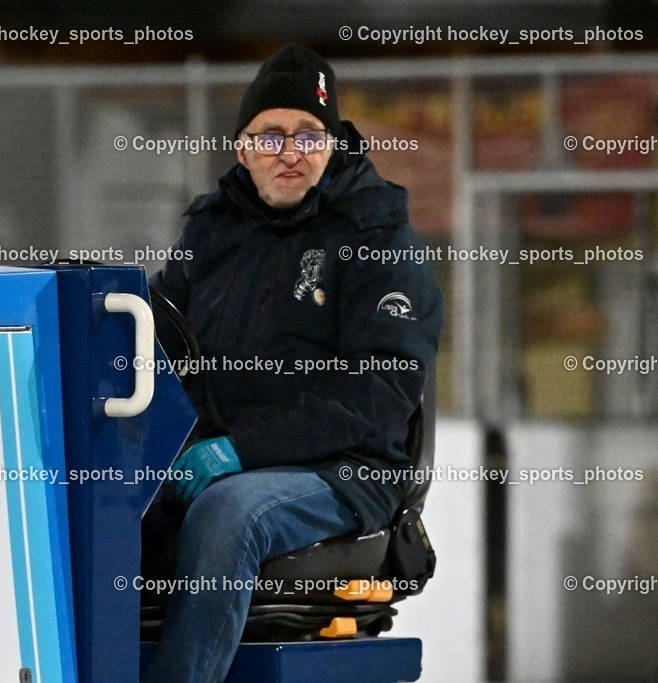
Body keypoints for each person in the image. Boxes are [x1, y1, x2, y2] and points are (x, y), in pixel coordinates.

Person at [142, 44, 444, 683]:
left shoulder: (374, 235)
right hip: (221, 459)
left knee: (229, 515)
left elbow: (379, 394)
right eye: (271, 135)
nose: (289, 151)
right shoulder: (209, 232)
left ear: (333, 146)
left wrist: (239, 451)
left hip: (344, 470)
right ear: (242, 147)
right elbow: (159, 352)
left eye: (309, 135)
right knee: (101, 504)